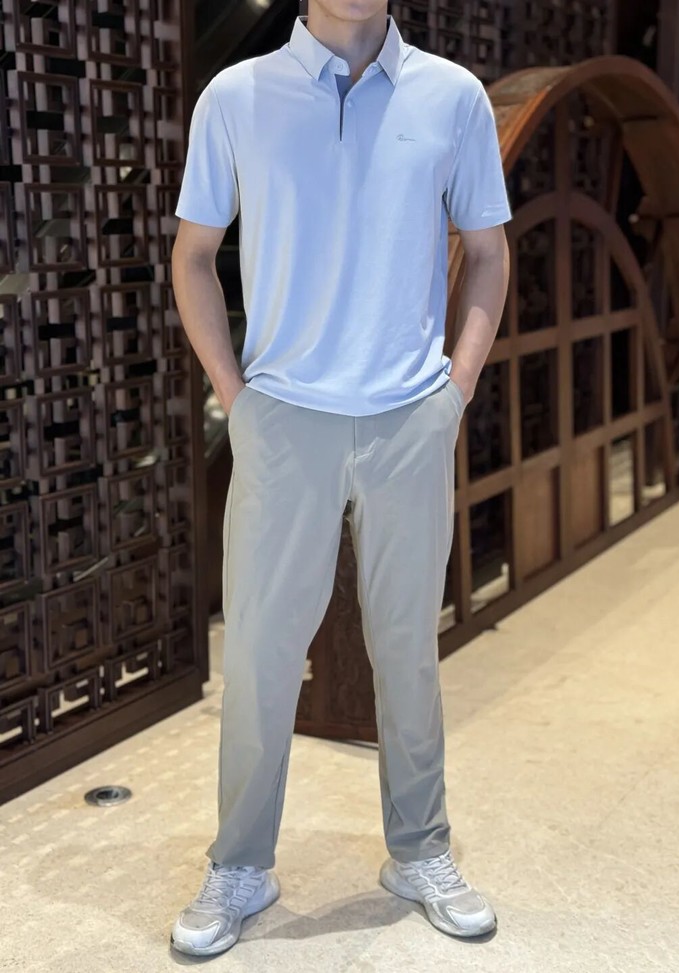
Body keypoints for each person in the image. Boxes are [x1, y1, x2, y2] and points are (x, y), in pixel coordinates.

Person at [170, 0, 511, 957]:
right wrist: (238, 398)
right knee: (260, 654)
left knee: (408, 646)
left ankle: (422, 849)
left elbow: (489, 252)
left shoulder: (453, 96)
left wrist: (454, 391)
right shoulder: (237, 96)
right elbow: (192, 257)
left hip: (411, 414)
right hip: (284, 416)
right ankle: (241, 862)